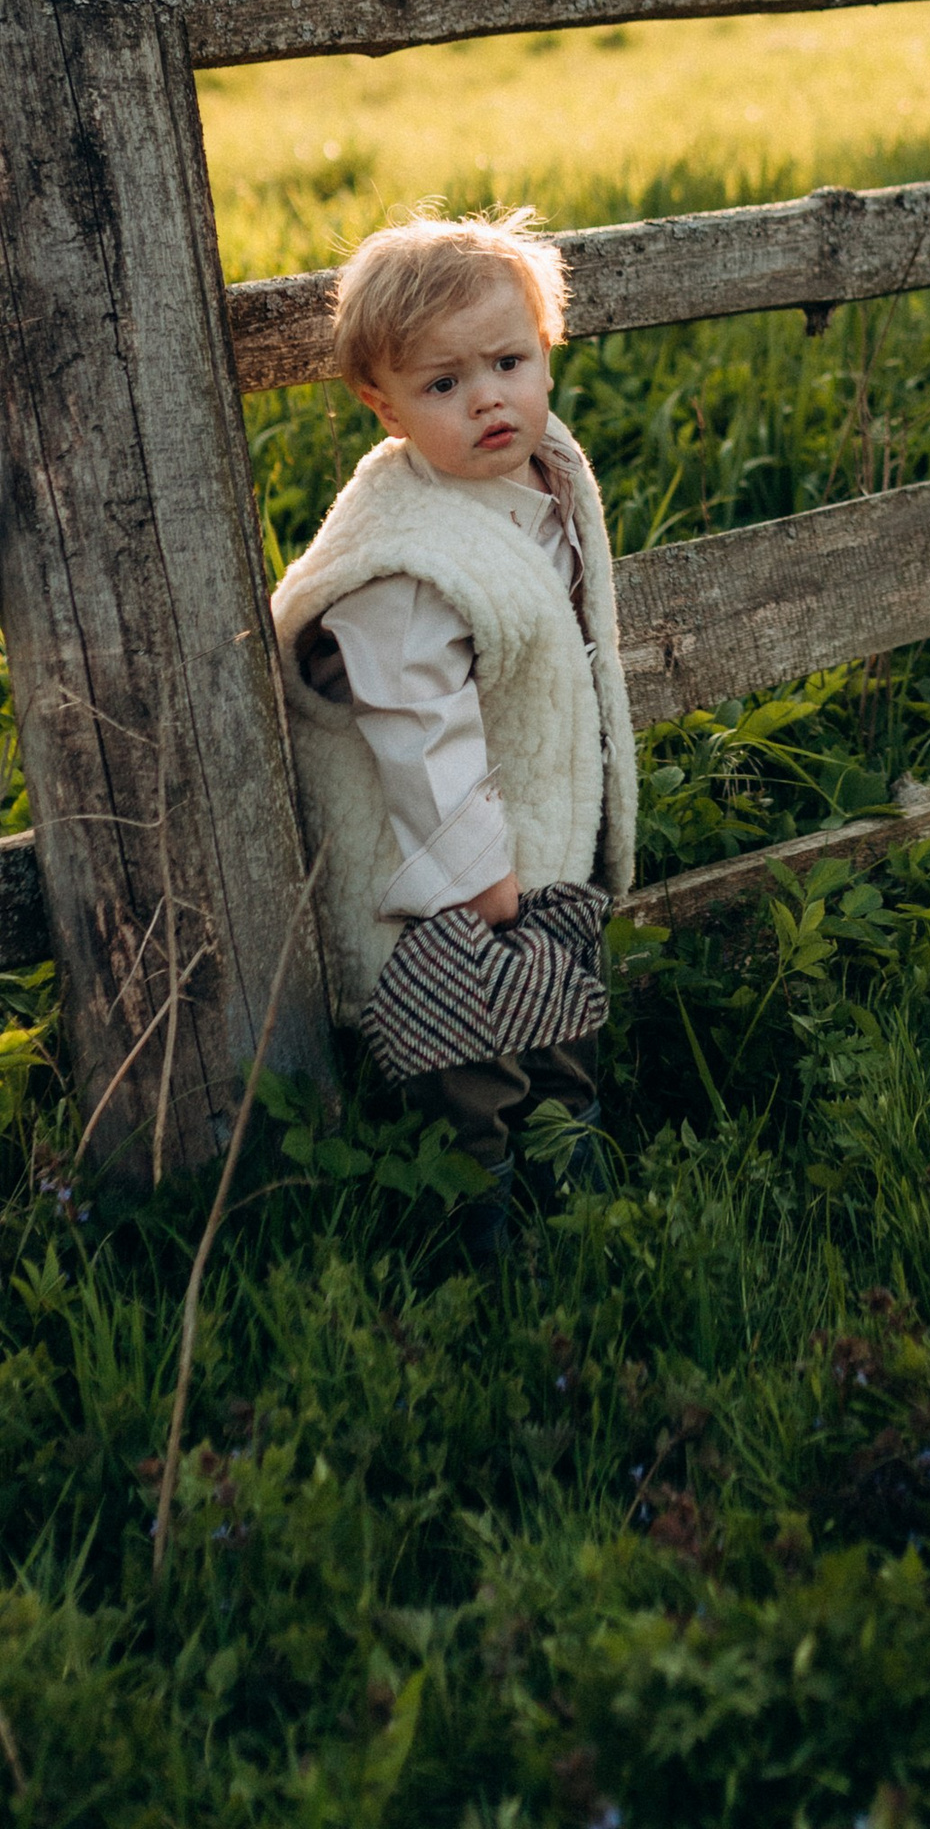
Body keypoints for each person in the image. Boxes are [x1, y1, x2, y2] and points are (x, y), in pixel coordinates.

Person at [271, 210, 639, 1265]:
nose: (487, 399)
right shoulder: (405, 561)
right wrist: (481, 881)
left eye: (508, 364)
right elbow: (419, 734)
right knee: (471, 1064)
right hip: (438, 885)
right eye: (442, 384)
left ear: (545, 351)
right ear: (381, 405)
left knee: (559, 1028)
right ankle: (473, 1250)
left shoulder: (541, 476)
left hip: (538, 848)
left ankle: (580, 1220)